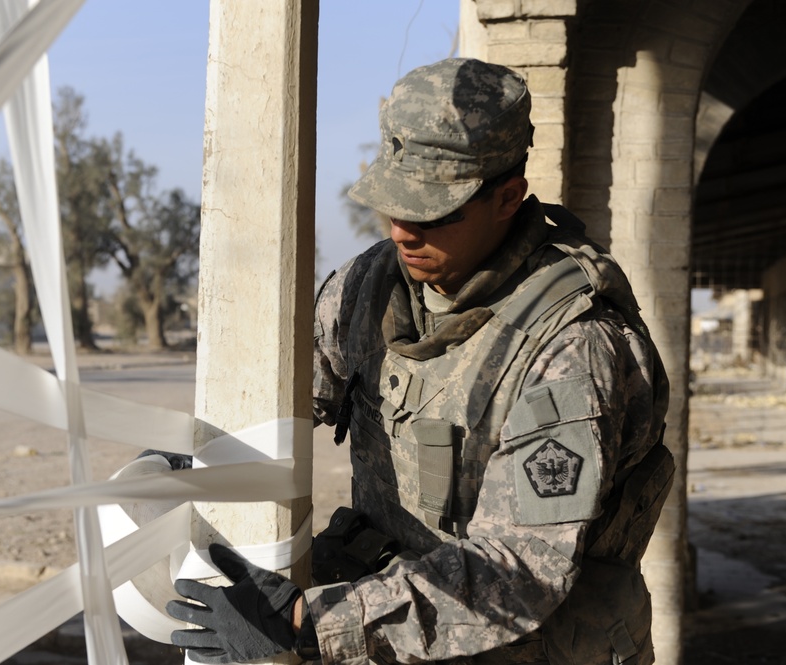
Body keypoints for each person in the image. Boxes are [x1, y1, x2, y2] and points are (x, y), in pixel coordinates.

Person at [167, 57, 672, 665]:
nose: (403, 231)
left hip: (534, 642)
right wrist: (194, 463)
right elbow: (279, 403)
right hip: (393, 617)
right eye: (394, 204)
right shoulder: (367, 287)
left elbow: (522, 571)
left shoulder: (572, 347)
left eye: (434, 213)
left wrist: (309, 623)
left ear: (508, 197)